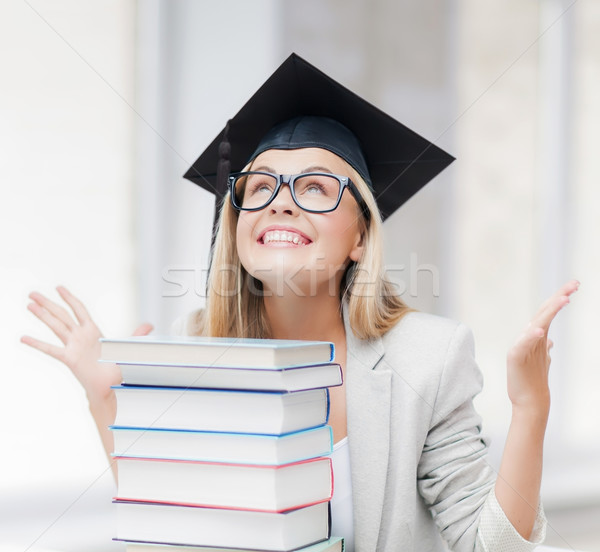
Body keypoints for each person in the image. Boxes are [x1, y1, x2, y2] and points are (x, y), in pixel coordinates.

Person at [22, 54, 579, 552]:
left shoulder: (428, 360)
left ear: (361, 236)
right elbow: (182, 528)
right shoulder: (197, 348)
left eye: (315, 188)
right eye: (260, 187)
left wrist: (531, 409)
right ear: (235, 222)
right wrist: (104, 399)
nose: (280, 205)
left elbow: (490, 546)